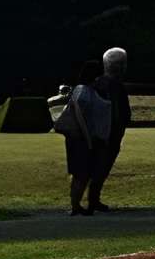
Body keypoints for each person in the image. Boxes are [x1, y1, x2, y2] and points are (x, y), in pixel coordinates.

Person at [54, 57, 113, 215]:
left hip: (82, 138)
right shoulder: (83, 90)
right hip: (80, 139)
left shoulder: (88, 90)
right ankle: (75, 205)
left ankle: (76, 205)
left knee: (82, 173)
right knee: (81, 173)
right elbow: (80, 115)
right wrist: (88, 138)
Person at [83, 45, 134, 213]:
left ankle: (92, 199)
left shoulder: (98, 84)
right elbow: (119, 112)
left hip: (101, 131)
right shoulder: (114, 86)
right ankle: (92, 200)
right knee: (102, 165)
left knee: (98, 165)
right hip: (109, 132)